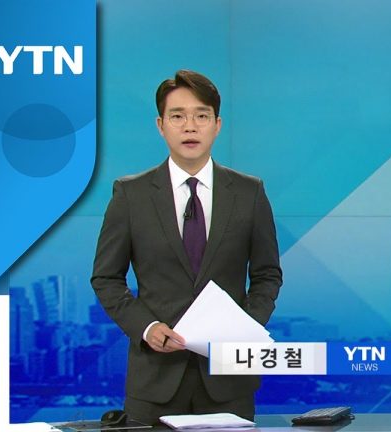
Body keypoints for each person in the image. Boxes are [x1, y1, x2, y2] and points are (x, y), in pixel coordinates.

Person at [91, 70, 282, 424]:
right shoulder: (131, 195)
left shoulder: (249, 193)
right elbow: (106, 278)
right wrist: (147, 328)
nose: (190, 127)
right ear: (161, 125)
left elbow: (267, 274)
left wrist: (242, 328)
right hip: (154, 382)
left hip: (228, 381)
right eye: (178, 116)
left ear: (217, 125)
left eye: (201, 116)